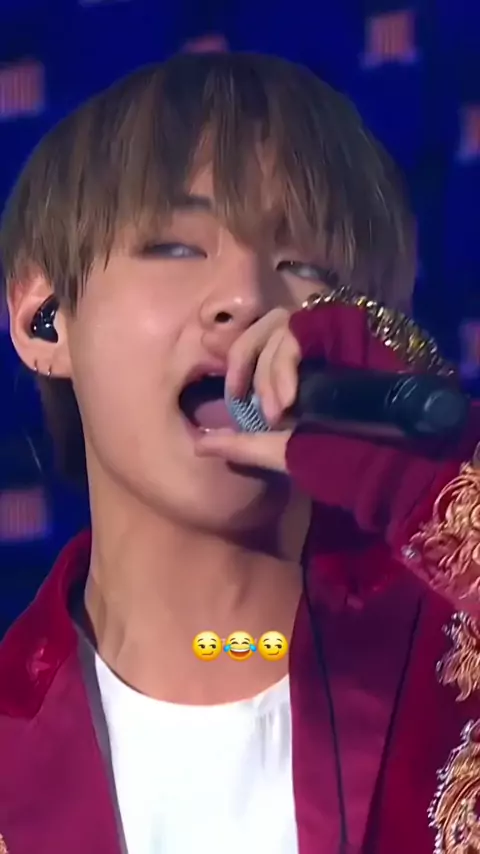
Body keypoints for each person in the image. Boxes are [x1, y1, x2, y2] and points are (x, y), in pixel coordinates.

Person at [0, 52, 479, 854]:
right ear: (44, 319)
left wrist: (442, 483)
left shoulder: (452, 665)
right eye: (174, 248)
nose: (248, 298)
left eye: (305, 267)